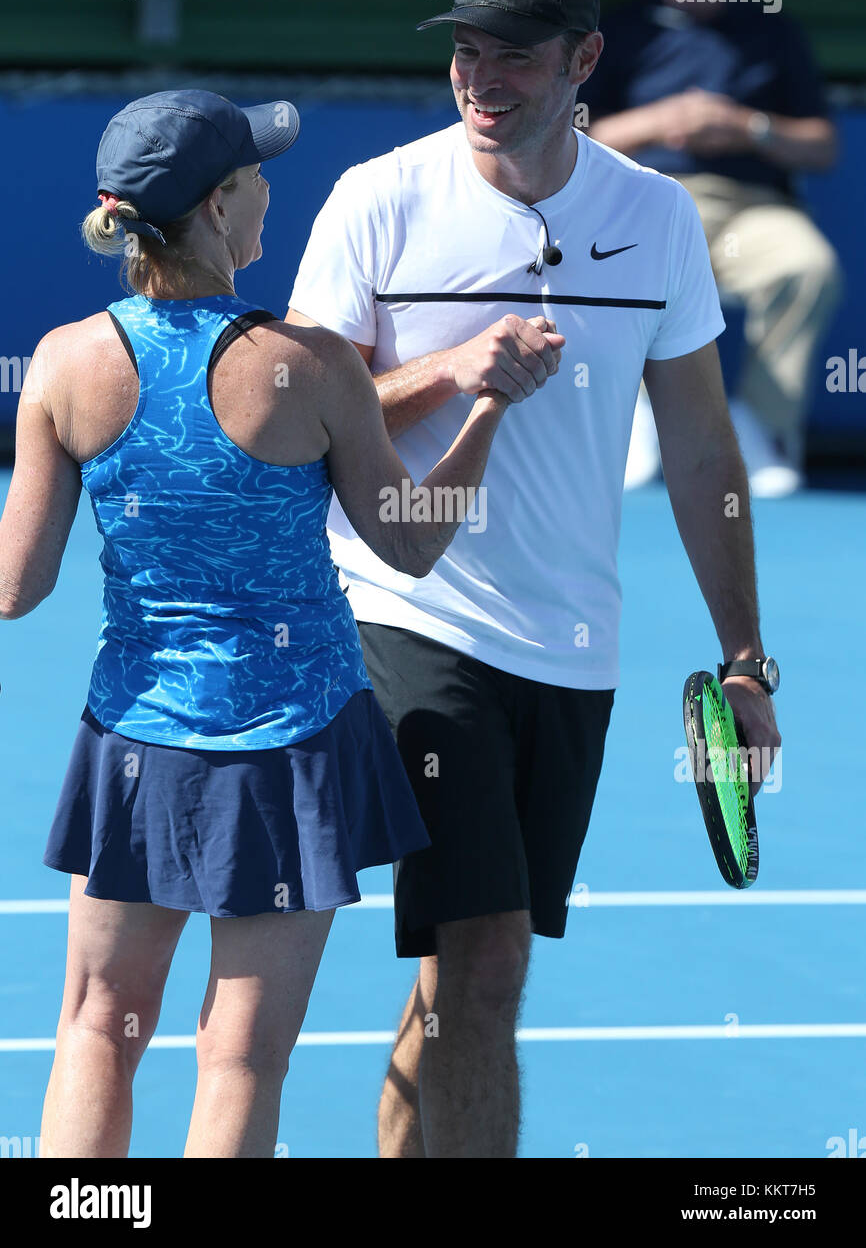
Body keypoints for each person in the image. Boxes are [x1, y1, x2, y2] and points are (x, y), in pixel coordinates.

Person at [286, 0, 782, 1158]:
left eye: (512, 50)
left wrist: (744, 660)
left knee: (468, 974)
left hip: (572, 647)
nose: (480, 74)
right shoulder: (378, 197)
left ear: (584, 61)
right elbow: (292, 410)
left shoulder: (655, 219)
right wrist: (451, 370)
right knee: (489, 950)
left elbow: (706, 454)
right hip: (408, 613)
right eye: (465, 47)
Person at [0, 88, 546, 1158]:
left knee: (97, 1028)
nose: (268, 192)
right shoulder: (309, 364)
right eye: (253, 177)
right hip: (291, 752)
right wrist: (487, 405)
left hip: (133, 746)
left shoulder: (64, 361)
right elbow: (410, 542)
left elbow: (16, 585)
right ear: (215, 208)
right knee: (241, 1055)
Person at [582, 0, 842, 497]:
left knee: (809, 266)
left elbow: (823, 145)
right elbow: (569, 137)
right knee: (612, 260)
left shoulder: (773, 31)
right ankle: (635, 419)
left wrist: (747, 127)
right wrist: (660, 121)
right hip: (647, 201)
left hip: (754, 209)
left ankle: (756, 428)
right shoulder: (614, 32)